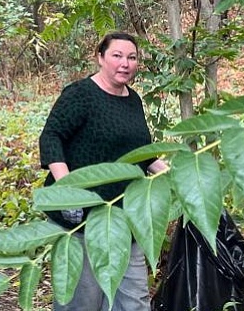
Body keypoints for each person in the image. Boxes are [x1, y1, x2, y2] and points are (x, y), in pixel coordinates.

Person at [38, 32, 169, 311]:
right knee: (84, 301)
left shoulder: (133, 100)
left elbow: (140, 152)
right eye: (117, 55)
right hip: (83, 219)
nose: (125, 63)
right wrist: (67, 190)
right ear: (100, 58)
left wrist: (170, 174)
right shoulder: (81, 95)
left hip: (125, 217)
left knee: (134, 301)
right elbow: (51, 138)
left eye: (132, 57)